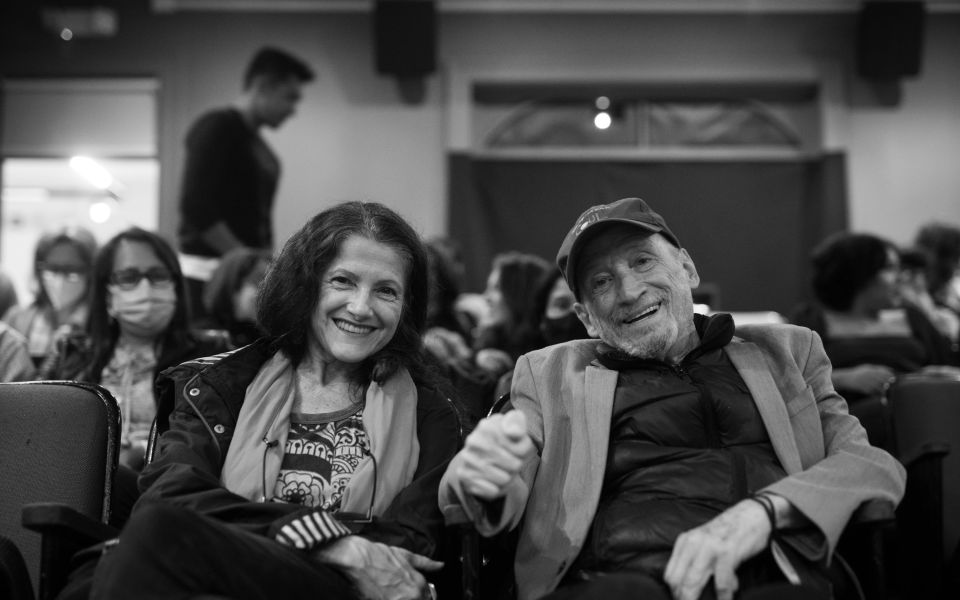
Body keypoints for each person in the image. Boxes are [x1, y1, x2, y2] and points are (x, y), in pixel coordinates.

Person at [440, 197, 905, 600]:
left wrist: (764, 513)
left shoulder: (789, 351)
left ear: (687, 267)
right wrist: (481, 479)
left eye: (642, 261)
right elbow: (494, 492)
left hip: (773, 565)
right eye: (601, 282)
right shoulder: (547, 373)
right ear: (585, 317)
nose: (629, 290)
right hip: (615, 578)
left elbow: (869, 465)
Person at [89, 202, 461, 600]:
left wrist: (275, 538)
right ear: (306, 286)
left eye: (386, 291)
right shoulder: (221, 386)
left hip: (343, 591)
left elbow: (411, 547)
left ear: (406, 308)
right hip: (225, 578)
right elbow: (170, 493)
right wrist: (327, 541)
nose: (361, 307)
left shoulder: (432, 414)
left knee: (158, 536)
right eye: (343, 281)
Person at [45, 227, 230, 526]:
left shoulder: (209, 358)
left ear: (174, 284)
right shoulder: (74, 355)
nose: (145, 288)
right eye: (129, 277)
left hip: (165, 495)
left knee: (109, 478)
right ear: (106, 291)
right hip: (76, 488)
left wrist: (138, 455)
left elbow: (214, 446)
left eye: (157, 275)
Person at [176, 46, 314, 322]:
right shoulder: (216, 127)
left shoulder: (259, 146)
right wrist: (245, 262)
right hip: (208, 278)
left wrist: (258, 267)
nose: (293, 110)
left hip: (244, 277)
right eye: (289, 98)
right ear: (262, 85)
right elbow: (196, 207)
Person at [3, 226, 96, 369]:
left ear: (91, 271)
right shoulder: (17, 319)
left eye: (72, 270)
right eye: (52, 269)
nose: (60, 280)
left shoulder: (102, 324)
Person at [472, 251, 552, 381]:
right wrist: (479, 358)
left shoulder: (547, 351)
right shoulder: (488, 341)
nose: (486, 297)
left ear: (519, 294)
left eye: (496, 288)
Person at [200, 246, 272, 348]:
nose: (265, 290)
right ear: (231, 283)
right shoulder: (205, 337)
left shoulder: (269, 338)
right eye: (257, 279)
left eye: (269, 283)